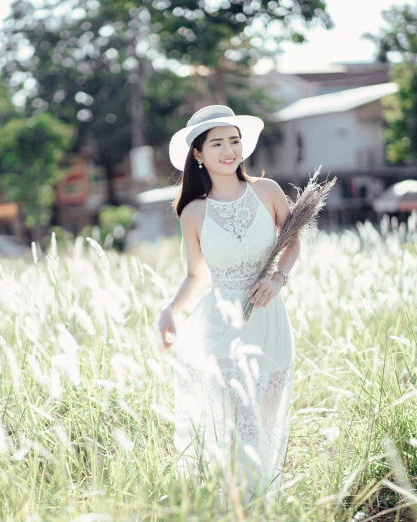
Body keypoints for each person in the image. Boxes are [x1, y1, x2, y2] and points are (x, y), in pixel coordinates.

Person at [157, 105, 299, 502]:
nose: (228, 150)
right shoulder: (193, 212)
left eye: (234, 141)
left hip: (269, 317)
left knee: (267, 421)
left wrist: (277, 278)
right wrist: (170, 310)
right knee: (243, 422)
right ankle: (241, 503)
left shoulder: (266, 191)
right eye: (217, 143)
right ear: (198, 153)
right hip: (221, 324)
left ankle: (265, 499)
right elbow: (196, 276)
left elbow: (292, 241)